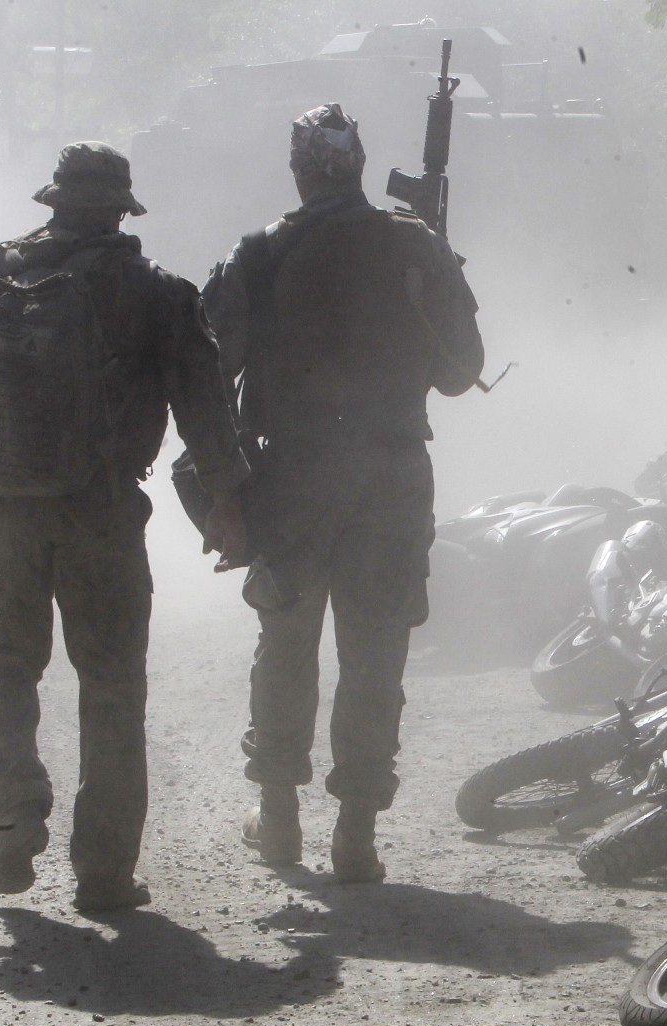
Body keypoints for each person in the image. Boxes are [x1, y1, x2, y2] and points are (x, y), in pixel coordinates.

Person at [0, 142, 249, 911]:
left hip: (1, 515)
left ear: (53, 203)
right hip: (102, 513)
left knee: (3, 670)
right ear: (121, 212)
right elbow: (206, 411)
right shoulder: (157, 292)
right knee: (112, 686)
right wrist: (227, 503)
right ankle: (104, 873)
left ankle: (15, 829)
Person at [203, 103, 483, 882]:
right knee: (375, 653)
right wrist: (432, 271)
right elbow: (461, 373)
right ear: (359, 167)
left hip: (295, 478)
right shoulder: (415, 244)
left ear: (299, 172)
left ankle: (279, 821)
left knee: (286, 644)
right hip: (393, 477)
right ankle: (355, 835)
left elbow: (208, 374)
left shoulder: (261, 252)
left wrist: (222, 491)